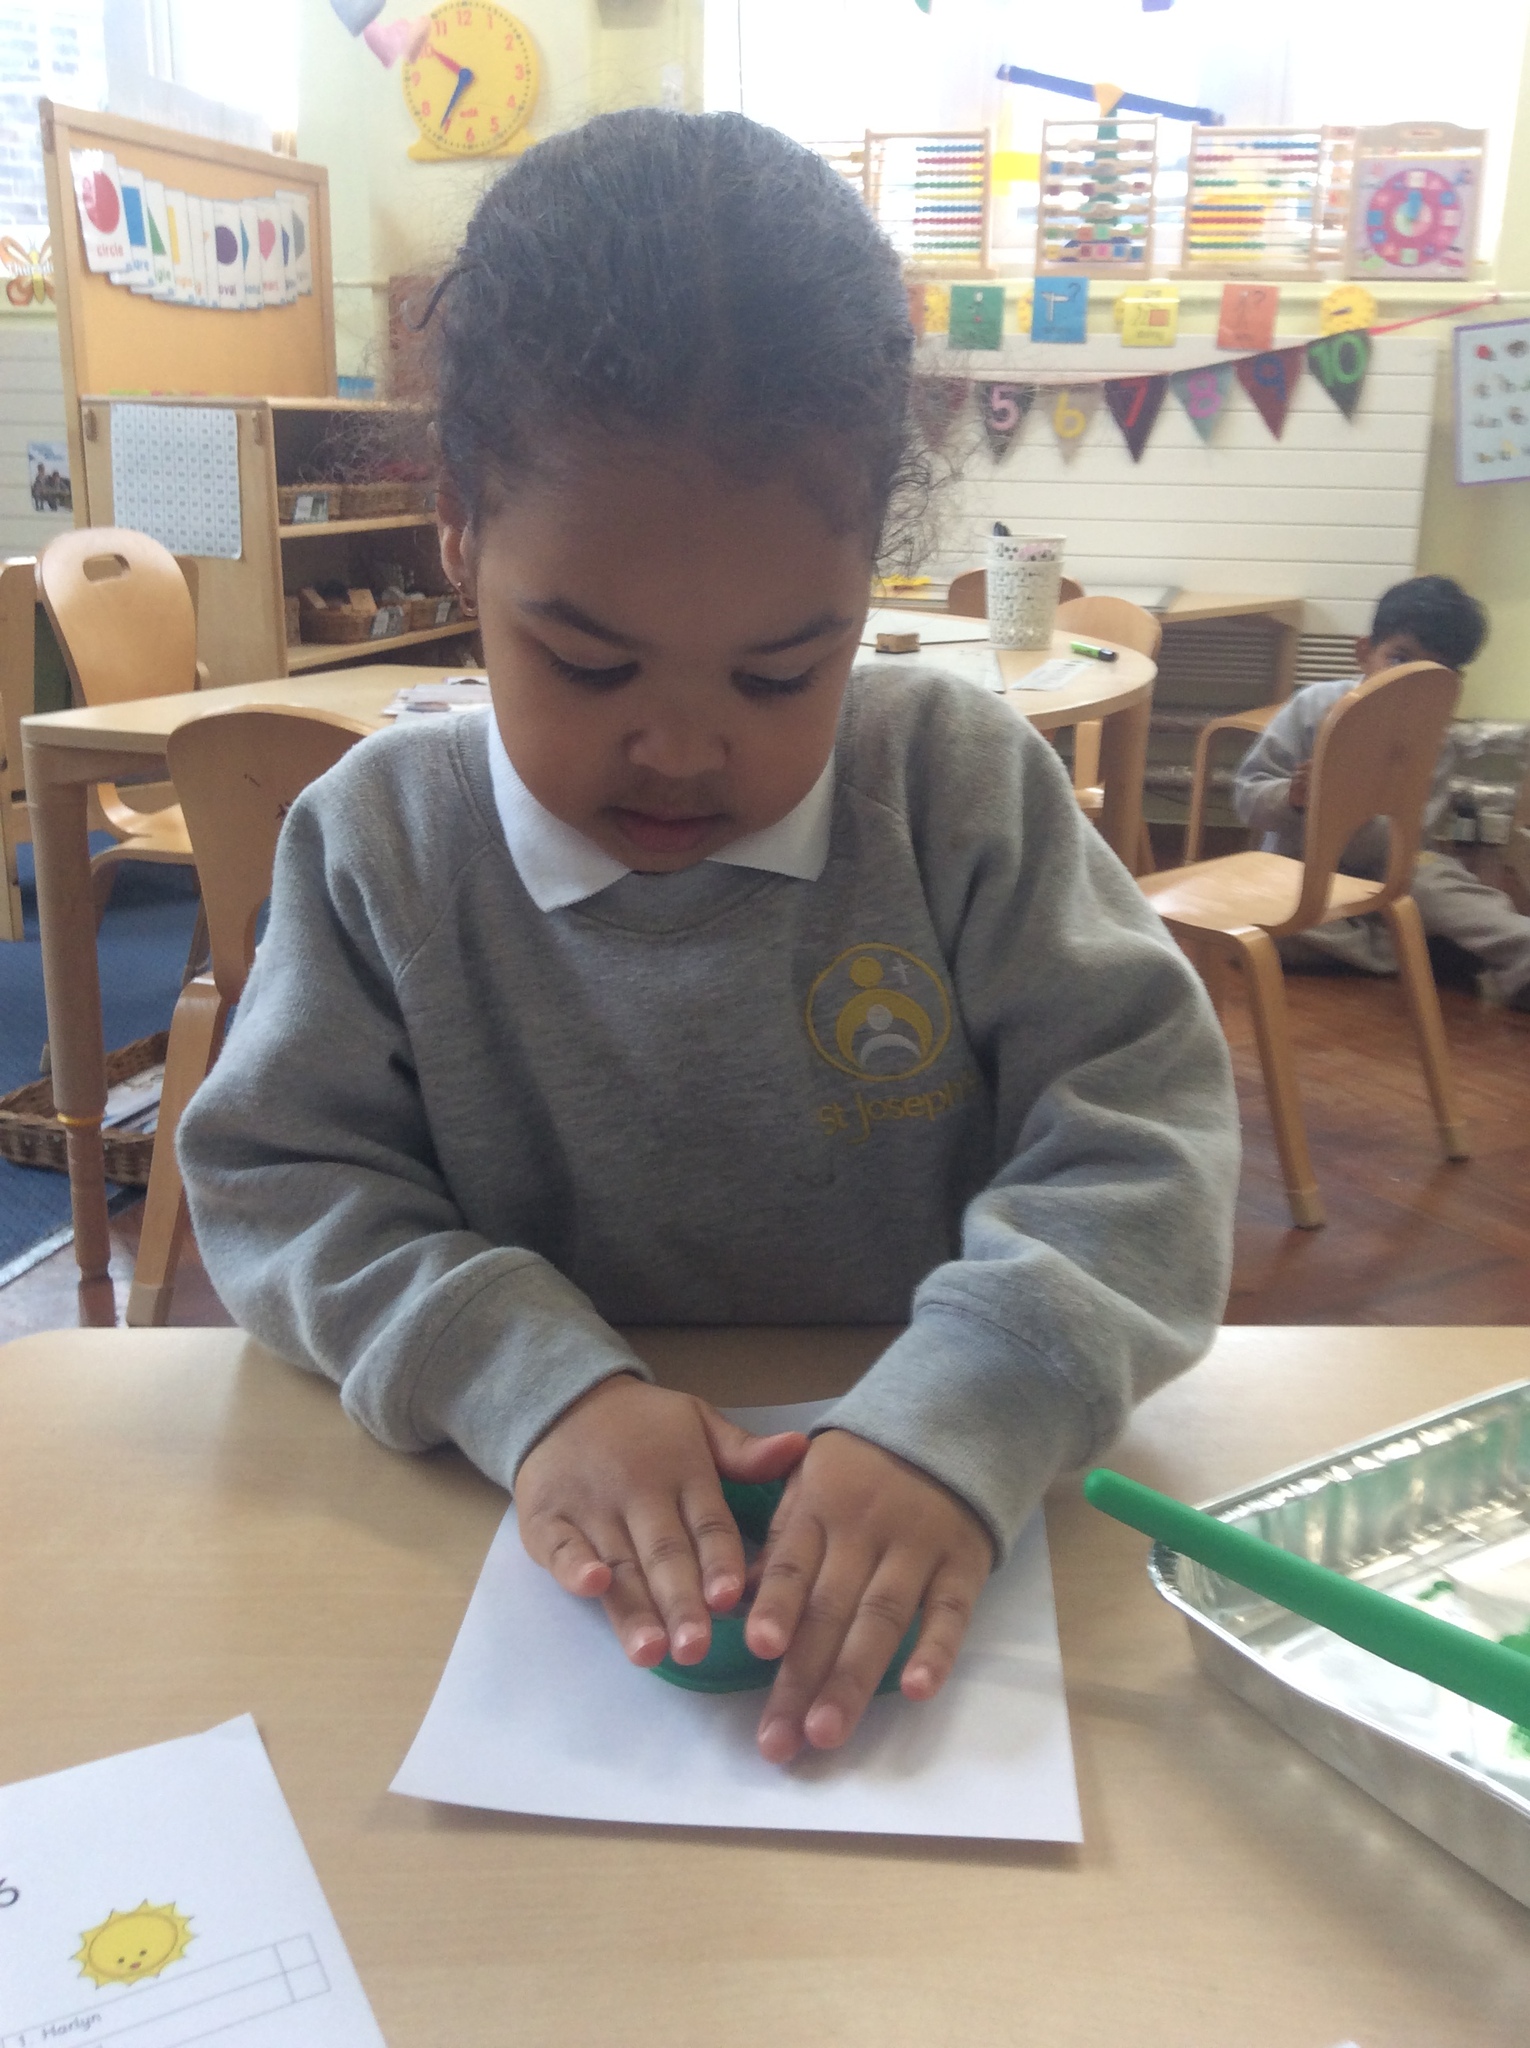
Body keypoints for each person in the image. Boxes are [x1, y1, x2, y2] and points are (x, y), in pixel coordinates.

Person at [179, 110, 1239, 1766]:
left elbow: (1146, 1144)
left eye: (779, 672)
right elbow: (282, 1181)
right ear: (457, 526)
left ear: (869, 571)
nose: (681, 751)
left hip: (949, 1525)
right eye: (588, 663)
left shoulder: (953, 787)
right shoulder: (383, 839)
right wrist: (527, 1381)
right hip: (481, 1566)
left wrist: (967, 1408)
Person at [1233, 575, 1530, 1010]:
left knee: (1443, 888)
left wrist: (1352, 807)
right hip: (1298, 872)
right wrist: (1294, 798)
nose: (1407, 682)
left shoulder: (1433, 736)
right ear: (1364, 652)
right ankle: (1413, 950)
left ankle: (1517, 955)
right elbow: (1248, 797)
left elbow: (1408, 840)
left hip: (1391, 875)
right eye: (1399, 658)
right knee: (1253, 930)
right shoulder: (1313, 706)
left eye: (1434, 673)